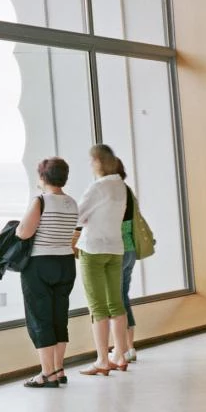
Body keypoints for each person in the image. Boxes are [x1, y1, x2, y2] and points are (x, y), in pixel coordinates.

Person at [16, 157, 79, 389]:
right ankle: (59, 369)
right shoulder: (72, 203)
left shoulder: (40, 201)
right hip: (65, 263)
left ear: (43, 177)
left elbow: (23, 232)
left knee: (40, 318)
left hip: (40, 265)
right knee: (59, 317)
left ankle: (47, 373)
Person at [74, 144, 131, 375]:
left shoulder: (98, 187)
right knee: (116, 304)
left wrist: (87, 219)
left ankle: (102, 360)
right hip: (115, 248)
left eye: (91, 161)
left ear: (98, 161)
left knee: (97, 307)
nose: (90, 165)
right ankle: (120, 355)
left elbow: (77, 216)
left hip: (93, 248)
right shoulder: (120, 186)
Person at [111, 158, 139, 367]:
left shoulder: (112, 192)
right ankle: (129, 347)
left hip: (117, 251)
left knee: (116, 300)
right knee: (123, 297)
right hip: (130, 249)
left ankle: (122, 349)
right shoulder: (127, 190)